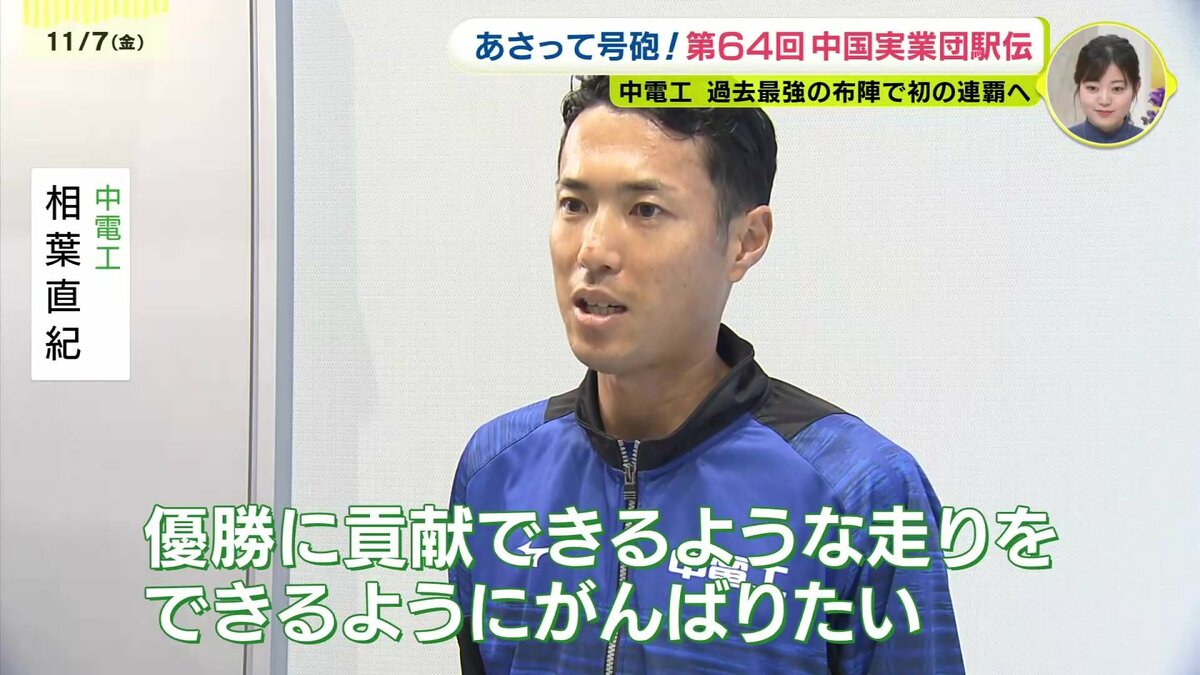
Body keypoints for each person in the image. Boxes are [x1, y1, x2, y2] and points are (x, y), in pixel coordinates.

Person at [448, 74, 965, 674]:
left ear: (745, 241)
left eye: (645, 210)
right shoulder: (496, 472)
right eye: (574, 205)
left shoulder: (857, 489)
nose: (593, 250)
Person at [1067, 34, 1144, 144]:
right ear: (1079, 86)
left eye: (1117, 89)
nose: (1104, 101)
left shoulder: (1150, 143)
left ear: (1136, 88)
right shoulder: (1062, 141)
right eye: (1092, 88)